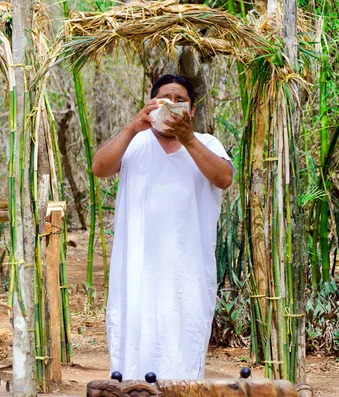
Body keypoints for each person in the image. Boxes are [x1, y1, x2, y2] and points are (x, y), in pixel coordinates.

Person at [92, 75, 234, 380]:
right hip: (137, 270)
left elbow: (224, 177)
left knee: (183, 345)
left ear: (192, 111)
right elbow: (99, 168)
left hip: (188, 273)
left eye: (180, 100)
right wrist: (132, 127)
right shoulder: (135, 142)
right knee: (134, 341)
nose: (172, 104)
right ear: (151, 103)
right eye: (164, 98)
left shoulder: (206, 142)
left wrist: (189, 138)